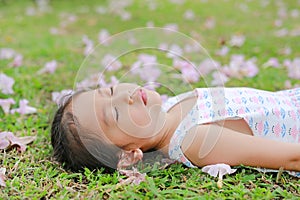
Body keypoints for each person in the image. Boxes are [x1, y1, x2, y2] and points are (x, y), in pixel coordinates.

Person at [51, 83, 300, 177]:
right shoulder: (195, 139)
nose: (125, 96)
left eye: (111, 91)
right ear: (129, 154)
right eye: (114, 114)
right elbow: (291, 157)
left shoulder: (170, 108)